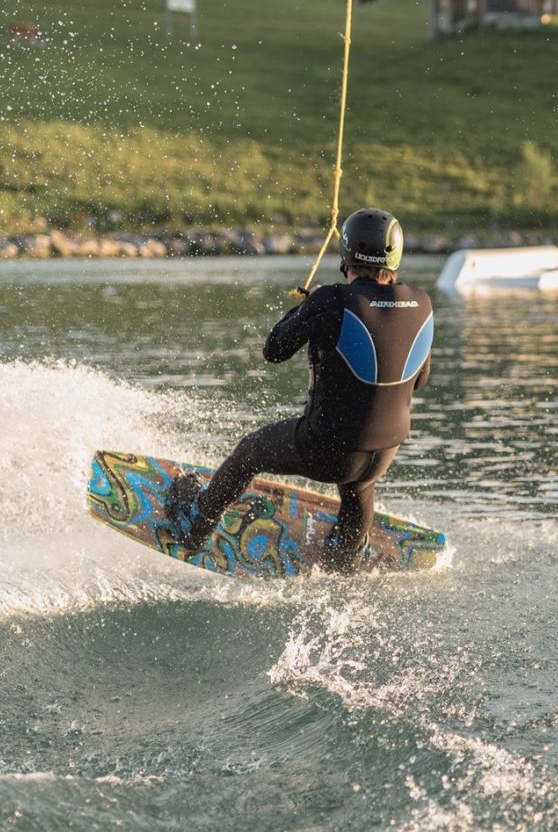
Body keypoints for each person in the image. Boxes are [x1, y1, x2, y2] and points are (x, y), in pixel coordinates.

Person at [167, 208, 434, 572]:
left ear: (347, 253)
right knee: (358, 489)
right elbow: (418, 379)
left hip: (329, 451)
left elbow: (273, 350)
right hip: (385, 451)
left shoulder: (330, 301)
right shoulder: (421, 303)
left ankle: (193, 528)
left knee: (251, 451)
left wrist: (309, 306)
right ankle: (343, 558)